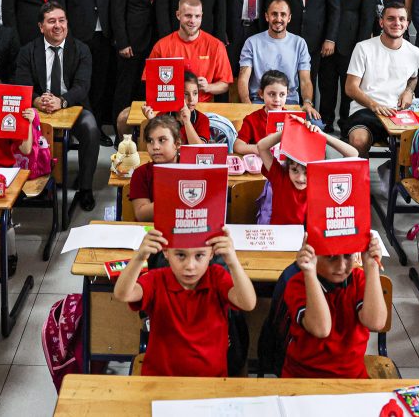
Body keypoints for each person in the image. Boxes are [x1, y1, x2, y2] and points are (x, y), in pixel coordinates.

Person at [113, 227, 257, 377]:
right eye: (181, 255)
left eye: (199, 255)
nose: (190, 266)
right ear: (166, 252)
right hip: (161, 379)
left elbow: (248, 303)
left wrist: (232, 261)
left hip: (211, 380)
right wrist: (139, 257)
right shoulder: (157, 279)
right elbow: (123, 294)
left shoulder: (217, 277)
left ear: (211, 254)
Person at [14, 2, 99, 211]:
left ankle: (85, 187)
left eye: (62, 20)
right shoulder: (27, 51)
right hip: (37, 108)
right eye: (51, 21)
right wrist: (36, 100)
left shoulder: (81, 49)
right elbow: (22, 85)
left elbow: (82, 86)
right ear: (41, 26)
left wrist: (61, 101)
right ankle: (33, 182)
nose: (58, 26)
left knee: (90, 127)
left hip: (72, 105)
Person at [282, 231, 388, 378]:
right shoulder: (298, 284)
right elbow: (321, 329)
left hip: (352, 376)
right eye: (331, 257)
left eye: (348, 256)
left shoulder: (358, 280)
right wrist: (310, 273)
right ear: (313, 255)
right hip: (303, 376)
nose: (341, 266)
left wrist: (372, 268)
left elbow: (376, 323)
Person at [57, 0, 116, 143]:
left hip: (105, 33)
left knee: (101, 83)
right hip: (77, 33)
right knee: (80, 83)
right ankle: (79, 128)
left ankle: (96, 127)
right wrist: (63, 32)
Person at [343, 2, 419, 158]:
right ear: (381, 22)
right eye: (391, 18)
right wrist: (375, 105)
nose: (397, 23)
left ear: (407, 24)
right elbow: (350, 88)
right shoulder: (363, 48)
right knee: (358, 141)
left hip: (397, 113)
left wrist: (408, 91)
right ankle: (359, 173)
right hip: (365, 110)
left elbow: (413, 78)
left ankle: (394, 172)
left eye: (401, 19)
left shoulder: (415, 52)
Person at [320, 0, 375, 134]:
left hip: (351, 47)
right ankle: (325, 124)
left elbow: (367, 19)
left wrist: (360, 49)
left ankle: (345, 126)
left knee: (348, 91)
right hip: (326, 44)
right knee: (326, 87)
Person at [257, 120, 358, 225]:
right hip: (280, 233)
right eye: (294, 170)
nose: (300, 178)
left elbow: (353, 154)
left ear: (317, 169)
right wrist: (288, 131)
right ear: (288, 167)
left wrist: (322, 135)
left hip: (308, 233)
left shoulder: (322, 180)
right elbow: (261, 146)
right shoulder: (280, 177)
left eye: (307, 172)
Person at [237, 0, 317, 118]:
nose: (278, 19)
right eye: (274, 14)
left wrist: (307, 103)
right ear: (267, 17)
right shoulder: (252, 42)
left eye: (283, 15)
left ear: (289, 18)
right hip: (259, 102)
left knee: (316, 125)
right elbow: (243, 78)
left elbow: (305, 80)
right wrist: (247, 104)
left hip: (289, 102)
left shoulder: (299, 43)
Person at [145, 0, 234, 103]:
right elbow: (149, 82)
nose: (193, 20)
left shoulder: (216, 45)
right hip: (170, 106)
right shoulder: (161, 46)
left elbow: (225, 84)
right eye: (188, 15)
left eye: (197, 16)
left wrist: (208, 87)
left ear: (202, 16)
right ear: (178, 15)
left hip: (202, 106)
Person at [111, 0, 159, 122]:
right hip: (131, 42)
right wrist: (122, 42)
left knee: (148, 89)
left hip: (155, 41)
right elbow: (116, 9)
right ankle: (120, 131)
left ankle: (144, 130)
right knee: (126, 88)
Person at [128, 116, 182, 221]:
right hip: (152, 228)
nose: (155, 147)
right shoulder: (141, 173)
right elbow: (141, 214)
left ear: (177, 144)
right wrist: (178, 198)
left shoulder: (191, 169)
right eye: (150, 141)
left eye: (162, 140)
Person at [141, 70, 209, 145]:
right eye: (186, 94)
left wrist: (187, 121)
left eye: (195, 93)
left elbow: (199, 149)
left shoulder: (203, 120)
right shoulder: (162, 116)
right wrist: (152, 120)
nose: (191, 99)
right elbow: (158, 145)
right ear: (175, 94)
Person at [234, 70, 290, 156]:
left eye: (282, 94)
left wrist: (308, 130)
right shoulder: (252, 119)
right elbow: (237, 146)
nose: (277, 99)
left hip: (286, 163)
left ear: (287, 94)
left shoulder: (292, 118)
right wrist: (257, 148)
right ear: (261, 94)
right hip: (260, 161)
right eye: (272, 94)